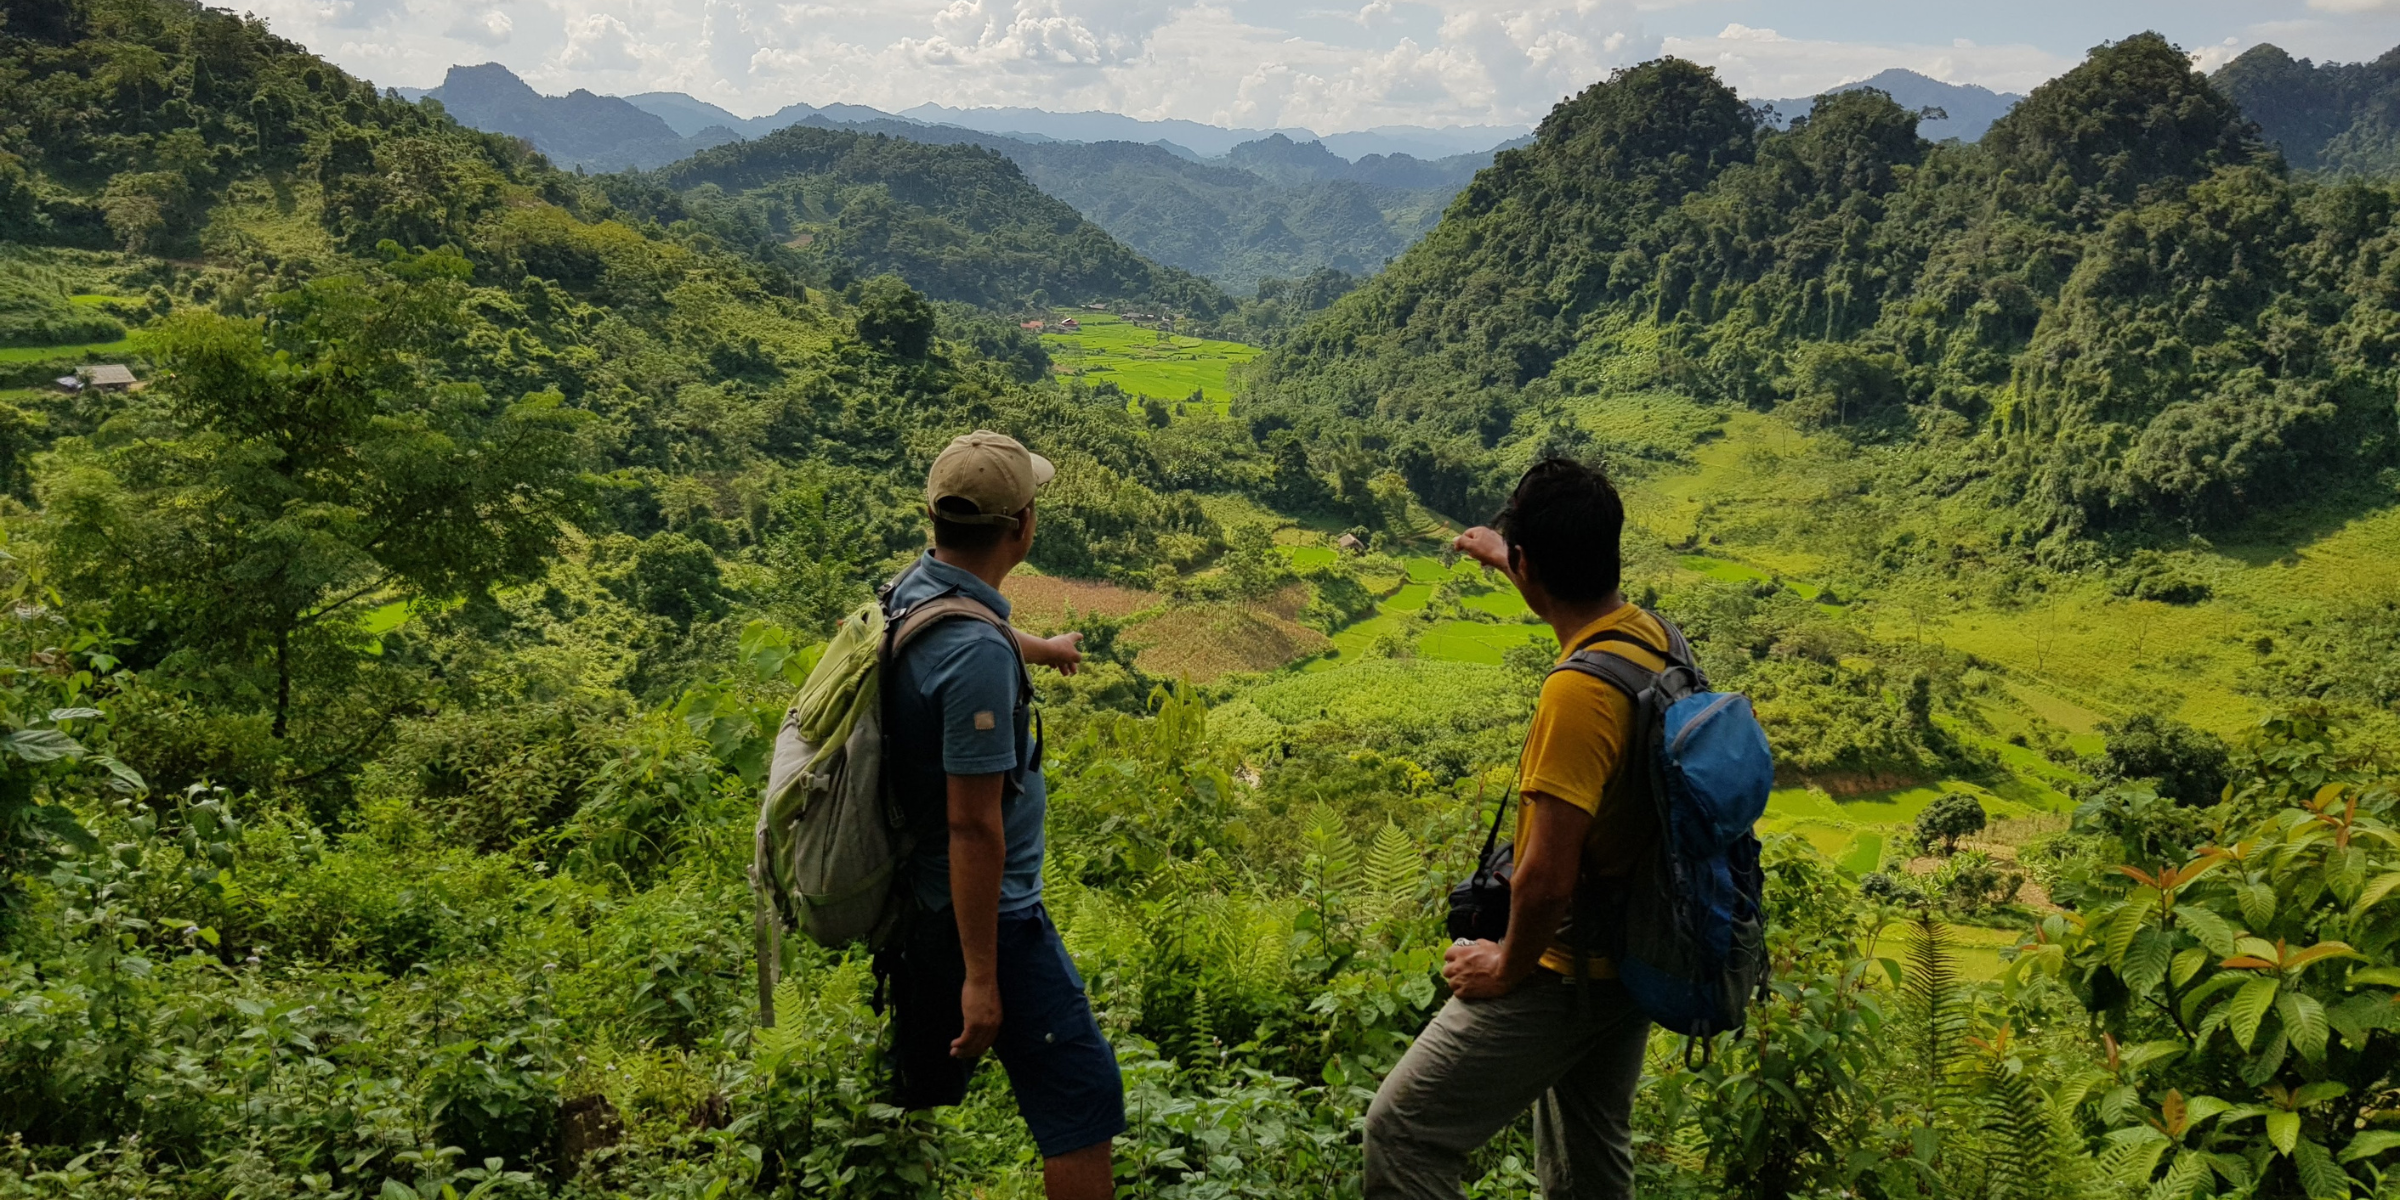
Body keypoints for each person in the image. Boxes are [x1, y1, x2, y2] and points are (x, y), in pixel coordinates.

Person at [1363, 457, 1665, 1200]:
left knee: (1402, 1131)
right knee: (1588, 1167)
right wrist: (1510, 558)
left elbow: (1546, 878)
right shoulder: (1650, 638)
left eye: (1517, 557)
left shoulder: (1576, 696)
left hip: (1564, 967)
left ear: (1533, 566)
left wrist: (1506, 966)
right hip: (1636, 951)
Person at [882, 430, 1123, 1200]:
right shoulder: (976, 657)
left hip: (928, 896)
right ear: (1021, 526)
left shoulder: (911, 591)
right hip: (992, 918)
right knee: (1082, 1101)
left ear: (935, 519)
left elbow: (962, 622)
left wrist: (1041, 648)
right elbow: (972, 826)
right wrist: (982, 977)